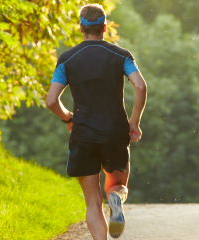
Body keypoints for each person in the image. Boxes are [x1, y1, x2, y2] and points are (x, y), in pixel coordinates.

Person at [45, 4, 147, 239]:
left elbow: (51, 101)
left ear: (81, 27)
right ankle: (116, 198)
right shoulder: (121, 55)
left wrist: (67, 117)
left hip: (83, 136)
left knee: (92, 203)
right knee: (117, 186)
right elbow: (140, 86)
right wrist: (134, 122)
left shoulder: (67, 59)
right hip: (115, 133)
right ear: (104, 27)